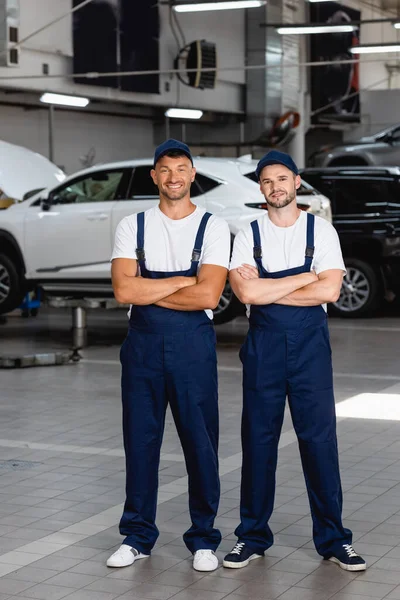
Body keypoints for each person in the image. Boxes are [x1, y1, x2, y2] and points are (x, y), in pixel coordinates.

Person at [224, 150, 366, 572]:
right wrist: (306, 276)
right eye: (267, 181)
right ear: (261, 187)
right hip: (264, 345)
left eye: (282, 179)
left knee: (319, 442)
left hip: (309, 349)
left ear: (297, 182)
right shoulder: (248, 233)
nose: (275, 187)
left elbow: (329, 292)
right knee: (258, 441)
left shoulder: (320, 232)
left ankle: (334, 539)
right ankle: (251, 537)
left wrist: (271, 286)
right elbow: (246, 296)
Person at [107, 139, 230, 572]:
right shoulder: (132, 225)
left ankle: (204, 540)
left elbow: (210, 293)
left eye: (182, 168)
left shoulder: (213, 226)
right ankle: (137, 537)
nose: (174, 177)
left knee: (200, 441)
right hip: (141, 346)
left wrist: (151, 291)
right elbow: (124, 290)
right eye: (165, 169)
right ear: (154, 176)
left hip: (193, 345)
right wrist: (183, 281)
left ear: (193, 174)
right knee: (140, 441)